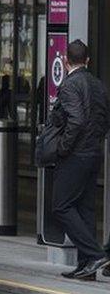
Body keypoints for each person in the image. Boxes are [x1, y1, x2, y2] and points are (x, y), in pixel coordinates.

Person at [47, 40, 110, 280]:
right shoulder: (99, 86)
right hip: (94, 152)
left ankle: (94, 255)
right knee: (85, 208)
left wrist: (63, 148)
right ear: (88, 61)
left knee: (61, 206)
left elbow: (77, 120)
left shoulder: (70, 85)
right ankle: (87, 268)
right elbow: (104, 120)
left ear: (65, 60)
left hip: (75, 155)